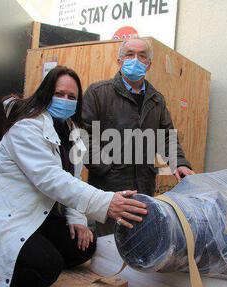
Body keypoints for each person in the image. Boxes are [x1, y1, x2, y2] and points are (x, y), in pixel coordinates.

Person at [0, 66, 148, 287]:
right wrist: (106, 201)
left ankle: (25, 260)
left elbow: (72, 179)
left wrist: (78, 219)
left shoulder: (73, 132)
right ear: (46, 93)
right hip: (2, 212)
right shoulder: (27, 127)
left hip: (35, 211)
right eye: (59, 94)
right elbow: (51, 179)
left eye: (72, 97)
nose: (65, 100)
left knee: (83, 247)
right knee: (47, 266)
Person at [82, 38, 194, 236]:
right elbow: (84, 136)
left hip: (143, 185)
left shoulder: (156, 99)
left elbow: (166, 135)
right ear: (120, 61)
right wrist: (106, 168)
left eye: (142, 56)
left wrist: (179, 163)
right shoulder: (98, 93)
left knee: (137, 241)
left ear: (148, 64)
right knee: (108, 244)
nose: (135, 59)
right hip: (108, 189)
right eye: (130, 54)